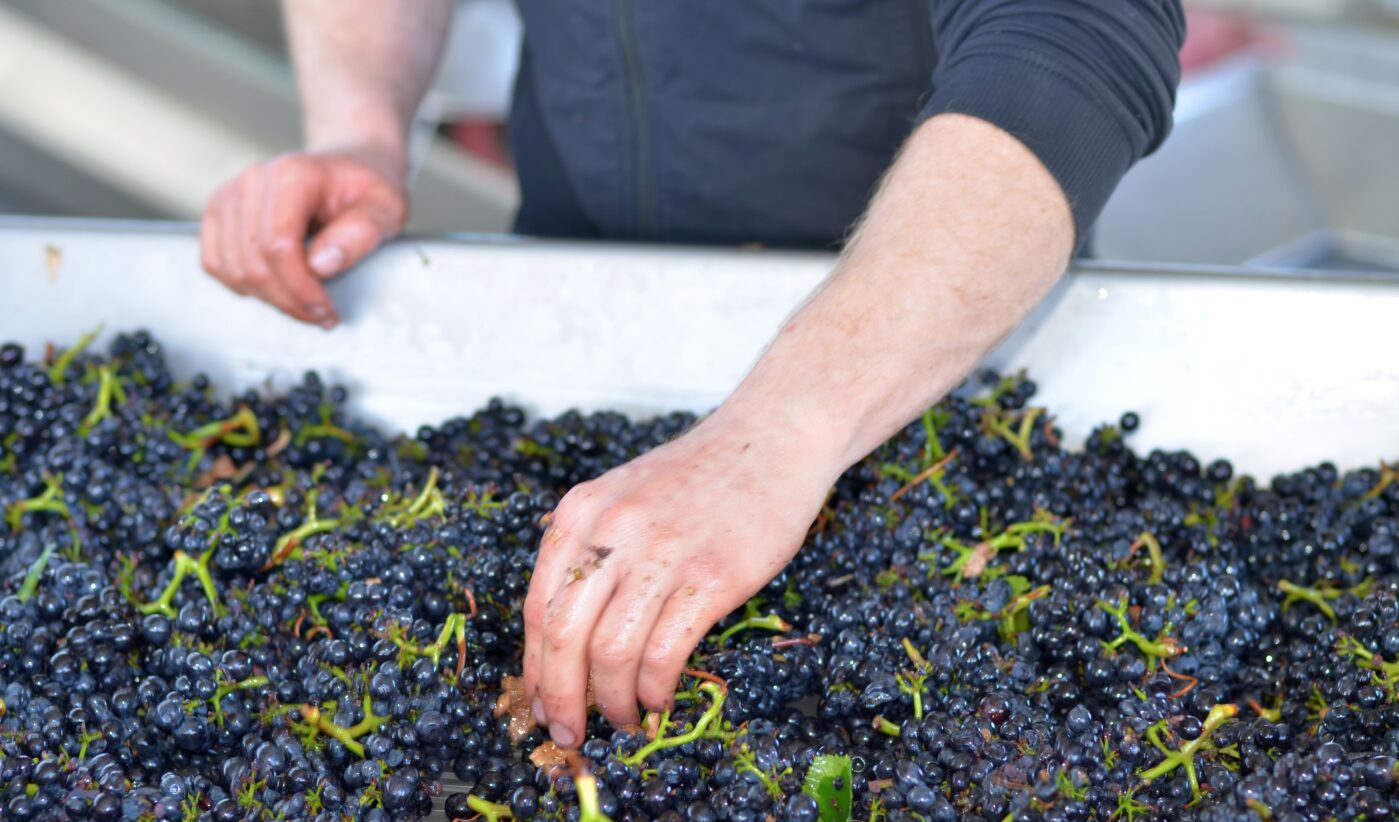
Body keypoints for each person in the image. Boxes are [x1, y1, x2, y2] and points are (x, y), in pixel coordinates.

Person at [201, 1, 1185, 749]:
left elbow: (1072, 41)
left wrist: (777, 435)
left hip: (923, 356)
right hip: (582, 305)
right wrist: (359, 128)